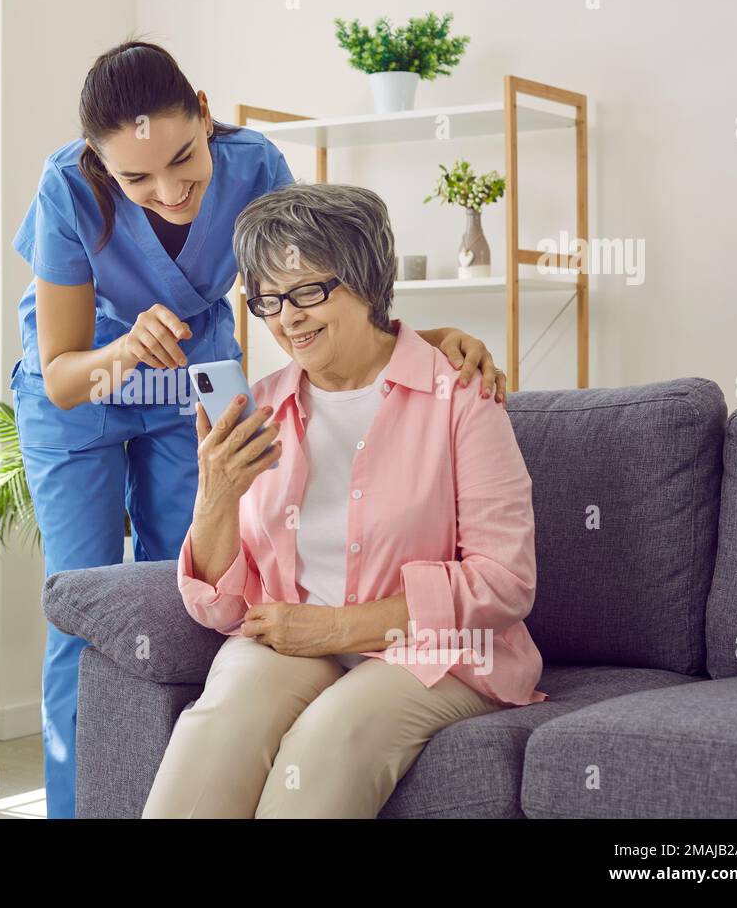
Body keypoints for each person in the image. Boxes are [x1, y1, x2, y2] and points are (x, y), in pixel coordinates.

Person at [11, 40, 509, 819]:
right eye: (136, 178)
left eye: (183, 160)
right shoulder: (66, 190)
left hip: (196, 376)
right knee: (90, 611)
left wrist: (417, 339)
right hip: (89, 386)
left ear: (206, 115)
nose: (170, 192)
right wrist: (122, 350)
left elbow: (318, 279)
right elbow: (66, 372)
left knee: (208, 593)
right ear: (99, 164)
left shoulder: (254, 164)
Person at [141, 183, 547, 819]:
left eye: (307, 291)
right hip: (292, 639)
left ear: (366, 281)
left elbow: (505, 582)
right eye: (269, 299)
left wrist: (336, 627)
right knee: (216, 726)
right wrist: (216, 498)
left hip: (436, 651)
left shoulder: (460, 396)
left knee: (326, 743)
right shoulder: (260, 407)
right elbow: (220, 610)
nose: (287, 317)